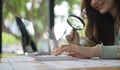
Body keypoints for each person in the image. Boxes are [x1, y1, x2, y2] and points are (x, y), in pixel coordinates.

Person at [52, 0, 120, 59]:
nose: (94, 2)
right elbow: (92, 42)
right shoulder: (105, 22)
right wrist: (78, 46)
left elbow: (93, 50)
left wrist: (94, 51)